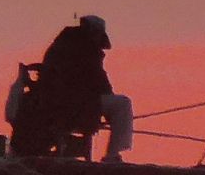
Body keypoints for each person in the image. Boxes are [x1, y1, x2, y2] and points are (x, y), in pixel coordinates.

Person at [16, 15, 132, 162]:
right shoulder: (87, 52)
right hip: (74, 106)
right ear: (94, 34)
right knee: (122, 104)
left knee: (116, 106)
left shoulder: (60, 47)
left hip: (58, 105)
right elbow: (100, 84)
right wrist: (105, 111)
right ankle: (112, 155)